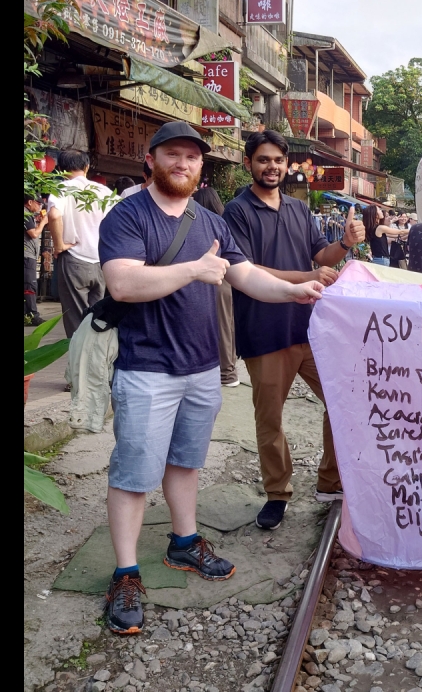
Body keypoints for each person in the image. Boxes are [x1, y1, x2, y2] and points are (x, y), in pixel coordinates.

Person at [97, 121, 324, 636]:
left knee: (185, 462)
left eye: (193, 157)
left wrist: (294, 291)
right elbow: (123, 282)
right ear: (151, 160)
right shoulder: (128, 215)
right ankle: (126, 572)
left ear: (203, 168)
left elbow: (242, 274)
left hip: (201, 366)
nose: (183, 164)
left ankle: (184, 541)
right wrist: (193, 271)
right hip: (147, 367)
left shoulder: (206, 219)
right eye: (173, 155)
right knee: (134, 473)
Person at [224, 130, 366, 530]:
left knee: (345, 401)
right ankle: (277, 492)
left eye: (278, 161)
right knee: (270, 419)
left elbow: (323, 255)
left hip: (312, 329)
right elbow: (245, 269)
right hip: (265, 330)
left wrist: (346, 244)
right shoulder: (237, 212)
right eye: (264, 159)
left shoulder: (298, 209)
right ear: (249, 162)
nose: (272, 167)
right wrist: (307, 275)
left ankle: (330, 481)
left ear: (288, 165)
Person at [47, 150, 114, 337]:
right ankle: (95, 361)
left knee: (76, 320)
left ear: (60, 168)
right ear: (86, 167)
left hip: (74, 259)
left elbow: (53, 215)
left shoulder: (62, 189)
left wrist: (59, 245)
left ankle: (79, 363)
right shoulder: (104, 191)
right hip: (101, 260)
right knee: (97, 317)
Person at [192, 186, 241, 388]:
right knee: (228, 324)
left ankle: (227, 373)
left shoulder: (201, 224)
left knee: (221, 325)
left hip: (213, 280)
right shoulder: (224, 223)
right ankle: (230, 369)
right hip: (229, 278)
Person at [24, 195, 48, 326]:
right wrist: (43, 223)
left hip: (29, 255)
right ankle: (33, 315)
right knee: (30, 285)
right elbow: (33, 234)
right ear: (30, 202)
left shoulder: (29, 216)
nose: (40, 207)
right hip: (27, 256)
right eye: (38, 203)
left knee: (27, 285)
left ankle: (27, 314)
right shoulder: (25, 214)